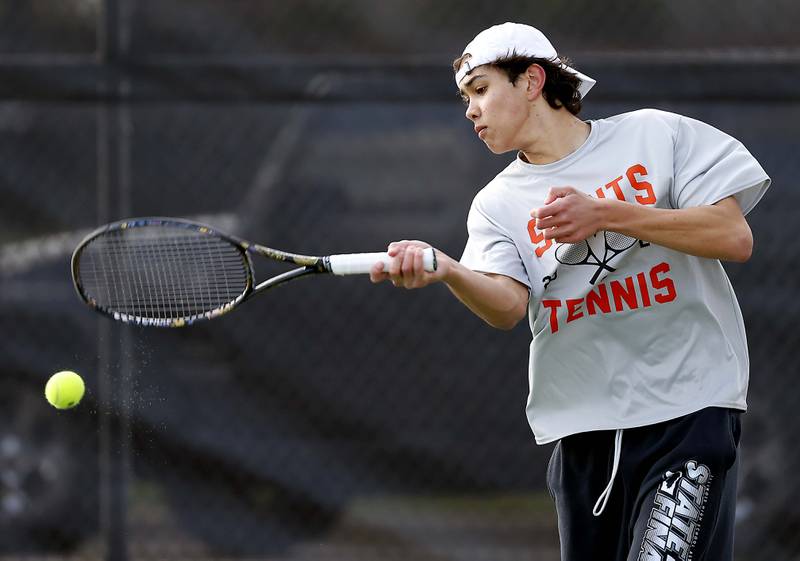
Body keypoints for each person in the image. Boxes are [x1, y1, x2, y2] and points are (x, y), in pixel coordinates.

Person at [369, 21, 771, 561]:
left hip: (689, 411)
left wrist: (606, 213)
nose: (471, 110)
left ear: (532, 81)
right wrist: (449, 271)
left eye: (482, 89)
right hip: (584, 431)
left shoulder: (656, 135)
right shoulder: (495, 204)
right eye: (466, 97)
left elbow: (733, 236)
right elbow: (508, 306)